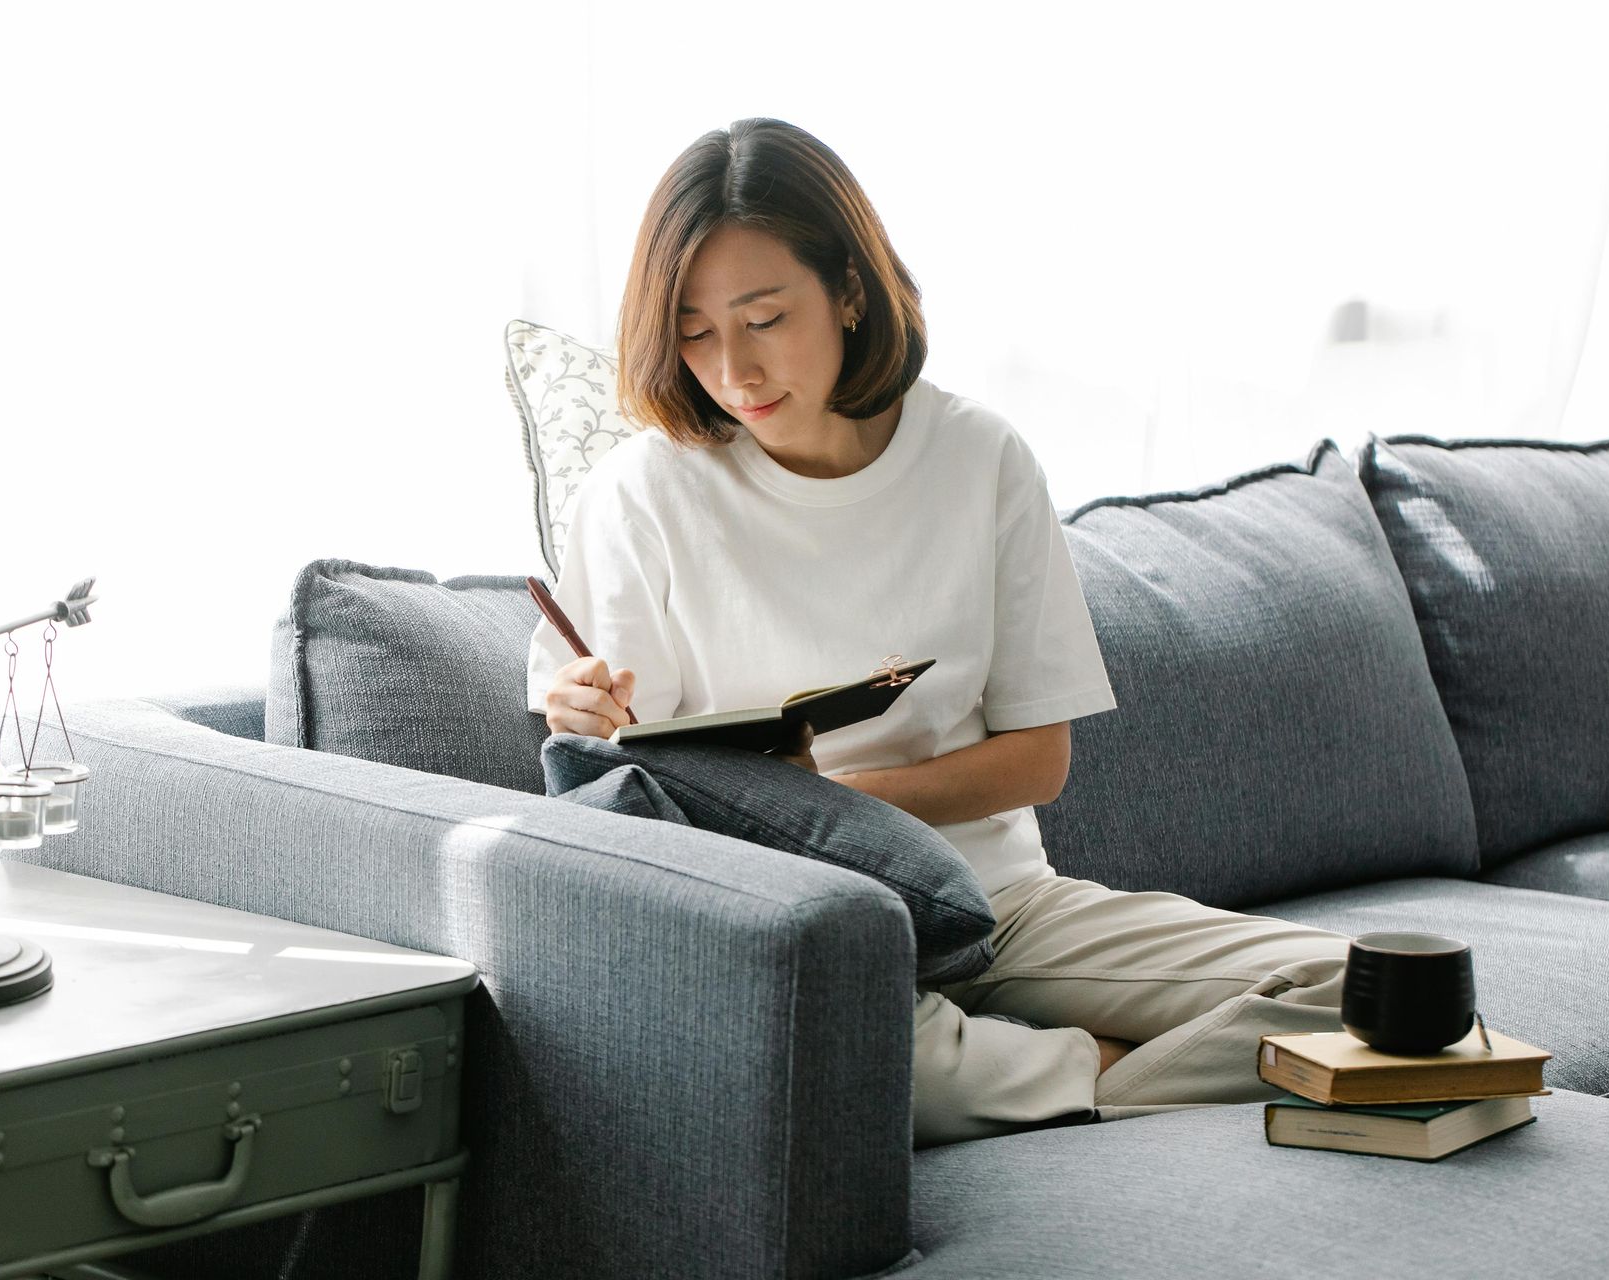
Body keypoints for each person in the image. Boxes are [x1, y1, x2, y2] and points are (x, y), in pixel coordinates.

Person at [526, 117, 1352, 1147]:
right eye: (694, 331)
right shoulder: (641, 494)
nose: (732, 368)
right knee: (833, 1059)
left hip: (994, 901)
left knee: (1361, 990)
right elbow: (612, 774)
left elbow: (1038, 758)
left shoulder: (978, 458)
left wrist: (837, 801)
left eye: (765, 317)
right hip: (805, 925)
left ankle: (1036, 1072)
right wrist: (581, 711)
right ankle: (1087, 1069)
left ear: (850, 292)